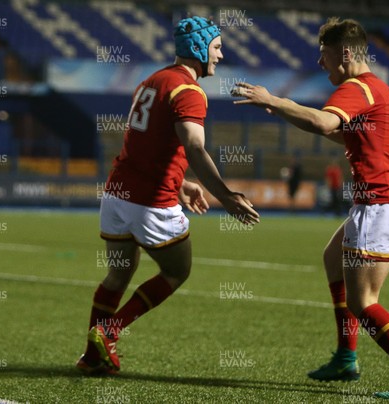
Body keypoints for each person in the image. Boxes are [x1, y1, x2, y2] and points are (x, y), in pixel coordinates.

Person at [234, 17, 389, 400]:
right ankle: (347, 358)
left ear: (344, 53)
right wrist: (283, 111)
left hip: (381, 203)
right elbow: (338, 131)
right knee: (333, 258)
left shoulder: (355, 87)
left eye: (323, 54)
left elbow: (323, 120)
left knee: (364, 302)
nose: (319, 62)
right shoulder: (382, 89)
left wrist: (273, 99)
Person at [77, 16, 260, 375]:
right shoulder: (189, 92)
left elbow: (149, 147)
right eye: (217, 47)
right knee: (177, 271)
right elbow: (194, 147)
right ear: (199, 48)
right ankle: (109, 331)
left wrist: (183, 184)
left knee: (118, 275)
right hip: (150, 202)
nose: (221, 55)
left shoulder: (151, 81)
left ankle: (92, 356)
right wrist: (225, 196)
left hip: (116, 194)